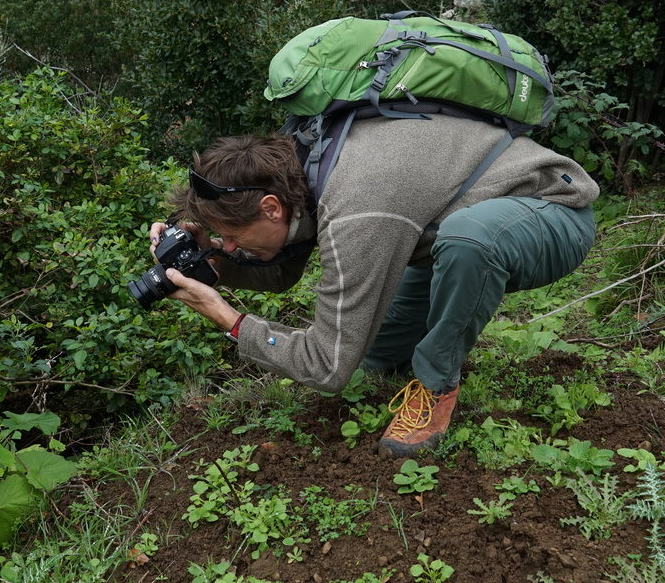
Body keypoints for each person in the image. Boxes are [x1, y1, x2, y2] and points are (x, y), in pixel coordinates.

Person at [149, 114, 598, 457]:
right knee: (374, 358)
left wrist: (227, 318)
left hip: (550, 211)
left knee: (469, 241)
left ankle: (438, 384)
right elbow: (283, 269)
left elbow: (326, 368)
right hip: (434, 236)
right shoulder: (306, 163)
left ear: (270, 208)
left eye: (231, 236)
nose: (228, 245)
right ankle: (419, 349)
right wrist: (211, 263)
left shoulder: (356, 205)